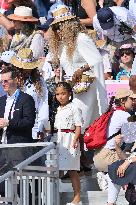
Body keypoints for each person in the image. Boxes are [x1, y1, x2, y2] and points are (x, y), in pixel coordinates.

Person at [48, 3, 108, 170]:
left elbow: (96, 60)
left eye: (60, 26)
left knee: (79, 122)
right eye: (56, 27)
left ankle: (82, 160)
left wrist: (81, 69)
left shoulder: (81, 39)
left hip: (85, 89)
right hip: (70, 89)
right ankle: (77, 161)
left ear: (68, 25)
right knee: (72, 122)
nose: (58, 30)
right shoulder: (63, 45)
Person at [93, 88, 134, 205]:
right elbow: (132, 138)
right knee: (130, 162)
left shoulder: (112, 112)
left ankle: (111, 202)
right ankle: (107, 178)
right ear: (122, 101)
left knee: (121, 166)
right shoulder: (124, 115)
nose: (133, 102)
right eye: (131, 99)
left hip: (99, 154)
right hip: (107, 156)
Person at [10, 48, 49, 141]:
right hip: (14, 122)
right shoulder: (12, 80)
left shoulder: (39, 81)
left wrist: (41, 125)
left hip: (33, 123)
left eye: (29, 67)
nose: (27, 70)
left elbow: (43, 103)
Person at [54, 82, 83, 205]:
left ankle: (77, 197)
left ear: (69, 94)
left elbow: (78, 126)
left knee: (72, 170)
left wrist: (75, 140)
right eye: (58, 94)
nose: (60, 97)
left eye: (63, 93)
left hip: (70, 139)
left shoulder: (74, 107)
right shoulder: (58, 109)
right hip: (59, 139)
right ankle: (55, 194)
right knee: (57, 169)